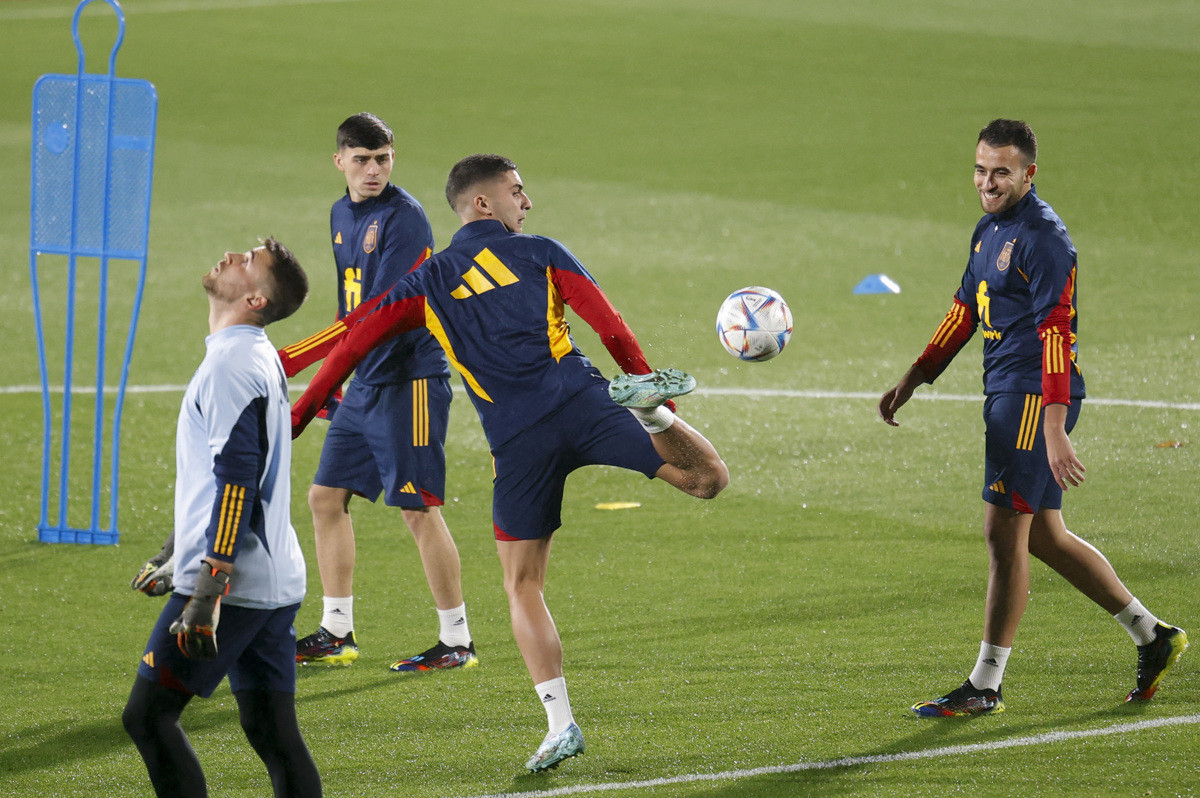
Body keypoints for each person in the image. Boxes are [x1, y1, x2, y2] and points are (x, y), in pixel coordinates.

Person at [283, 154, 729, 770]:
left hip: (517, 443)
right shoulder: (543, 251)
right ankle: (655, 415)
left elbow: (354, 341)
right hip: (586, 403)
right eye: (518, 191)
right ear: (483, 203)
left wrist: (301, 414)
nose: (529, 202)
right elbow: (612, 328)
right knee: (707, 481)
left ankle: (559, 725)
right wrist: (652, 387)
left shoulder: (424, 283)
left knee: (522, 585)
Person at [879, 119, 1187, 717]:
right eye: (980, 169)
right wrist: (915, 376)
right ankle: (1153, 635)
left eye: (1001, 172)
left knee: (1003, 537)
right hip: (1008, 393)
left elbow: (1056, 331)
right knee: (1044, 535)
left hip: (1029, 398)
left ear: (1028, 173)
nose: (987, 183)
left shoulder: (1046, 240)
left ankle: (985, 684)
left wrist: (1051, 426)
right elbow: (964, 310)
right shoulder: (989, 228)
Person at [122, 239, 321, 797]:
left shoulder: (233, 362)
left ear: (256, 298)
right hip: (273, 578)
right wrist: (173, 551)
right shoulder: (246, 353)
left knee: (148, 717)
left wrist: (206, 587)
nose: (232, 255)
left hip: (233, 587)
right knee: (271, 731)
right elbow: (220, 477)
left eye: (248, 260)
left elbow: (237, 482)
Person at [278, 113, 475, 671]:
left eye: (382, 158)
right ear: (338, 160)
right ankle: (337, 630)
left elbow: (375, 313)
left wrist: (297, 357)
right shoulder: (342, 213)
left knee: (416, 508)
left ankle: (457, 641)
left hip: (410, 378)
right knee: (325, 497)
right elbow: (350, 308)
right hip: (366, 379)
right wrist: (338, 384)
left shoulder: (406, 219)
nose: (373, 169)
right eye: (361, 159)